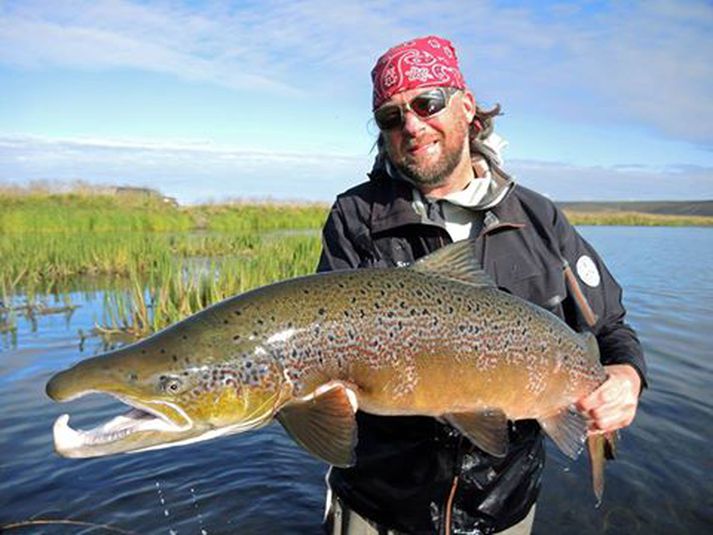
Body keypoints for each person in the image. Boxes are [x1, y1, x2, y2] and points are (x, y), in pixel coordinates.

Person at [317, 35, 646, 535]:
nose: (412, 125)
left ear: (466, 107)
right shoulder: (356, 217)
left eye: (427, 103)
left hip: (504, 508)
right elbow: (321, 344)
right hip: (380, 506)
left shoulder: (538, 218)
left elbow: (610, 327)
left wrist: (626, 377)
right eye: (391, 115)